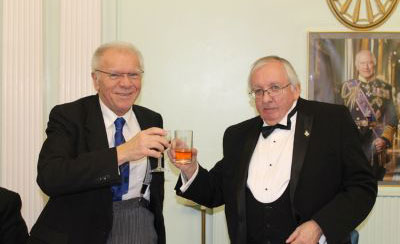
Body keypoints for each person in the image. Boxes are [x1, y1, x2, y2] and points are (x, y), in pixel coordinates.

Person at [170, 56, 377, 244]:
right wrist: (189, 168)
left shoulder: (332, 121)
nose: (266, 98)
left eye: (274, 88)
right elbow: (215, 191)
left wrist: (319, 226)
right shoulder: (237, 135)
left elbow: (362, 186)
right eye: (258, 91)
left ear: (296, 89)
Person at [28, 42, 169, 244]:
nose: (126, 83)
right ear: (96, 79)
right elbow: (50, 177)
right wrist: (121, 153)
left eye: (134, 74)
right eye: (115, 75)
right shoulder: (68, 116)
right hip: (79, 230)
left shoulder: (152, 119)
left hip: (140, 227)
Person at [341, 50, 398, 180]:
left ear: (375, 64)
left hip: (375, 143)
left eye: (370, 63)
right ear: (356, 65)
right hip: (352, 142)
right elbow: (338, 116)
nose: (366, 67)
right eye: (362, 63)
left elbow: (392, 117)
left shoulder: (385, 88)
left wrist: (384, 140)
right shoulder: (347, 87)